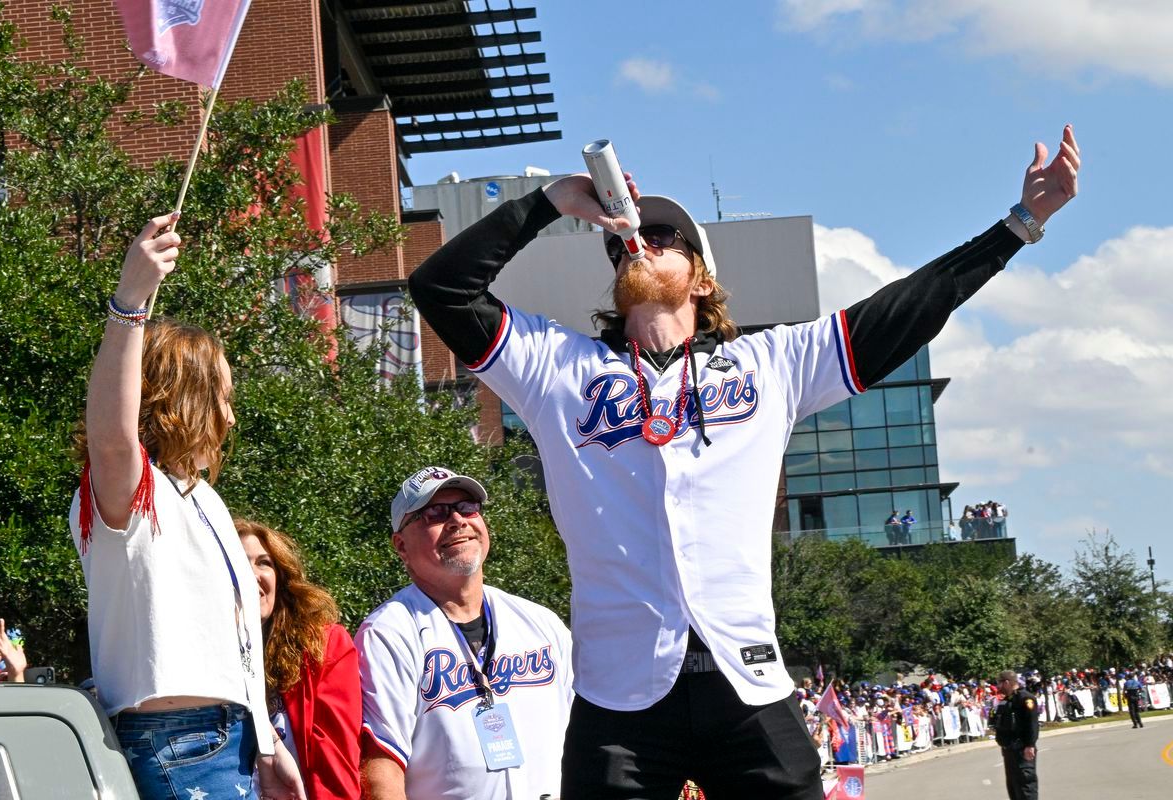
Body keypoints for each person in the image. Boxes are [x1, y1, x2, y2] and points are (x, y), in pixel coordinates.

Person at [408, 126, 1079, 798]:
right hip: (619, 698)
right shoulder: (555, 368)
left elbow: (909, 307)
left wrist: (1018, 225)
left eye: (666, 238)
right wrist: (552, 202)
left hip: (748, 682)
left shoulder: (772, 364)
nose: (641, 244)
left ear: (701, 278)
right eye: (623, 246)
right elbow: (440, 288)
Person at [69, 215, 304, 800]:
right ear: (180, 401)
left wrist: (266, 747)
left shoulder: (203, 498)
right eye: (220, 397)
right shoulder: (133, 487)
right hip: (177, 742)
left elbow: (235, 643)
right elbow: (112, 438)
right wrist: (130, 300)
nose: (230, 417)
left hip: (229, 741)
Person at [356, 466, 574, 800]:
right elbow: (380, 764)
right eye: (435, 512)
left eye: (468, 507)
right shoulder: (389, 633)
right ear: (401, 545)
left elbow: (584, 736)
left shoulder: (540, 622)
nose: (458, 520)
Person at [237, 519, 363, 798]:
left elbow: (335, 759)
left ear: (280, 578)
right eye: (238, 562)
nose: (252, 574)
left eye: (264, 563)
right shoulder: (200, 655)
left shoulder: (323, 646)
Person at [994, 670, 1040, 800]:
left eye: (999, 683)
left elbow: (1032, 723)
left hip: (1022, 749)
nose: (998, 686)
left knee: (1026, 785)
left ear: (1007, 682)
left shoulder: (1025, 698)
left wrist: (1030, 745)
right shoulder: (1009, 699)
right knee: (1014, 787)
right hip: (1010, 749)